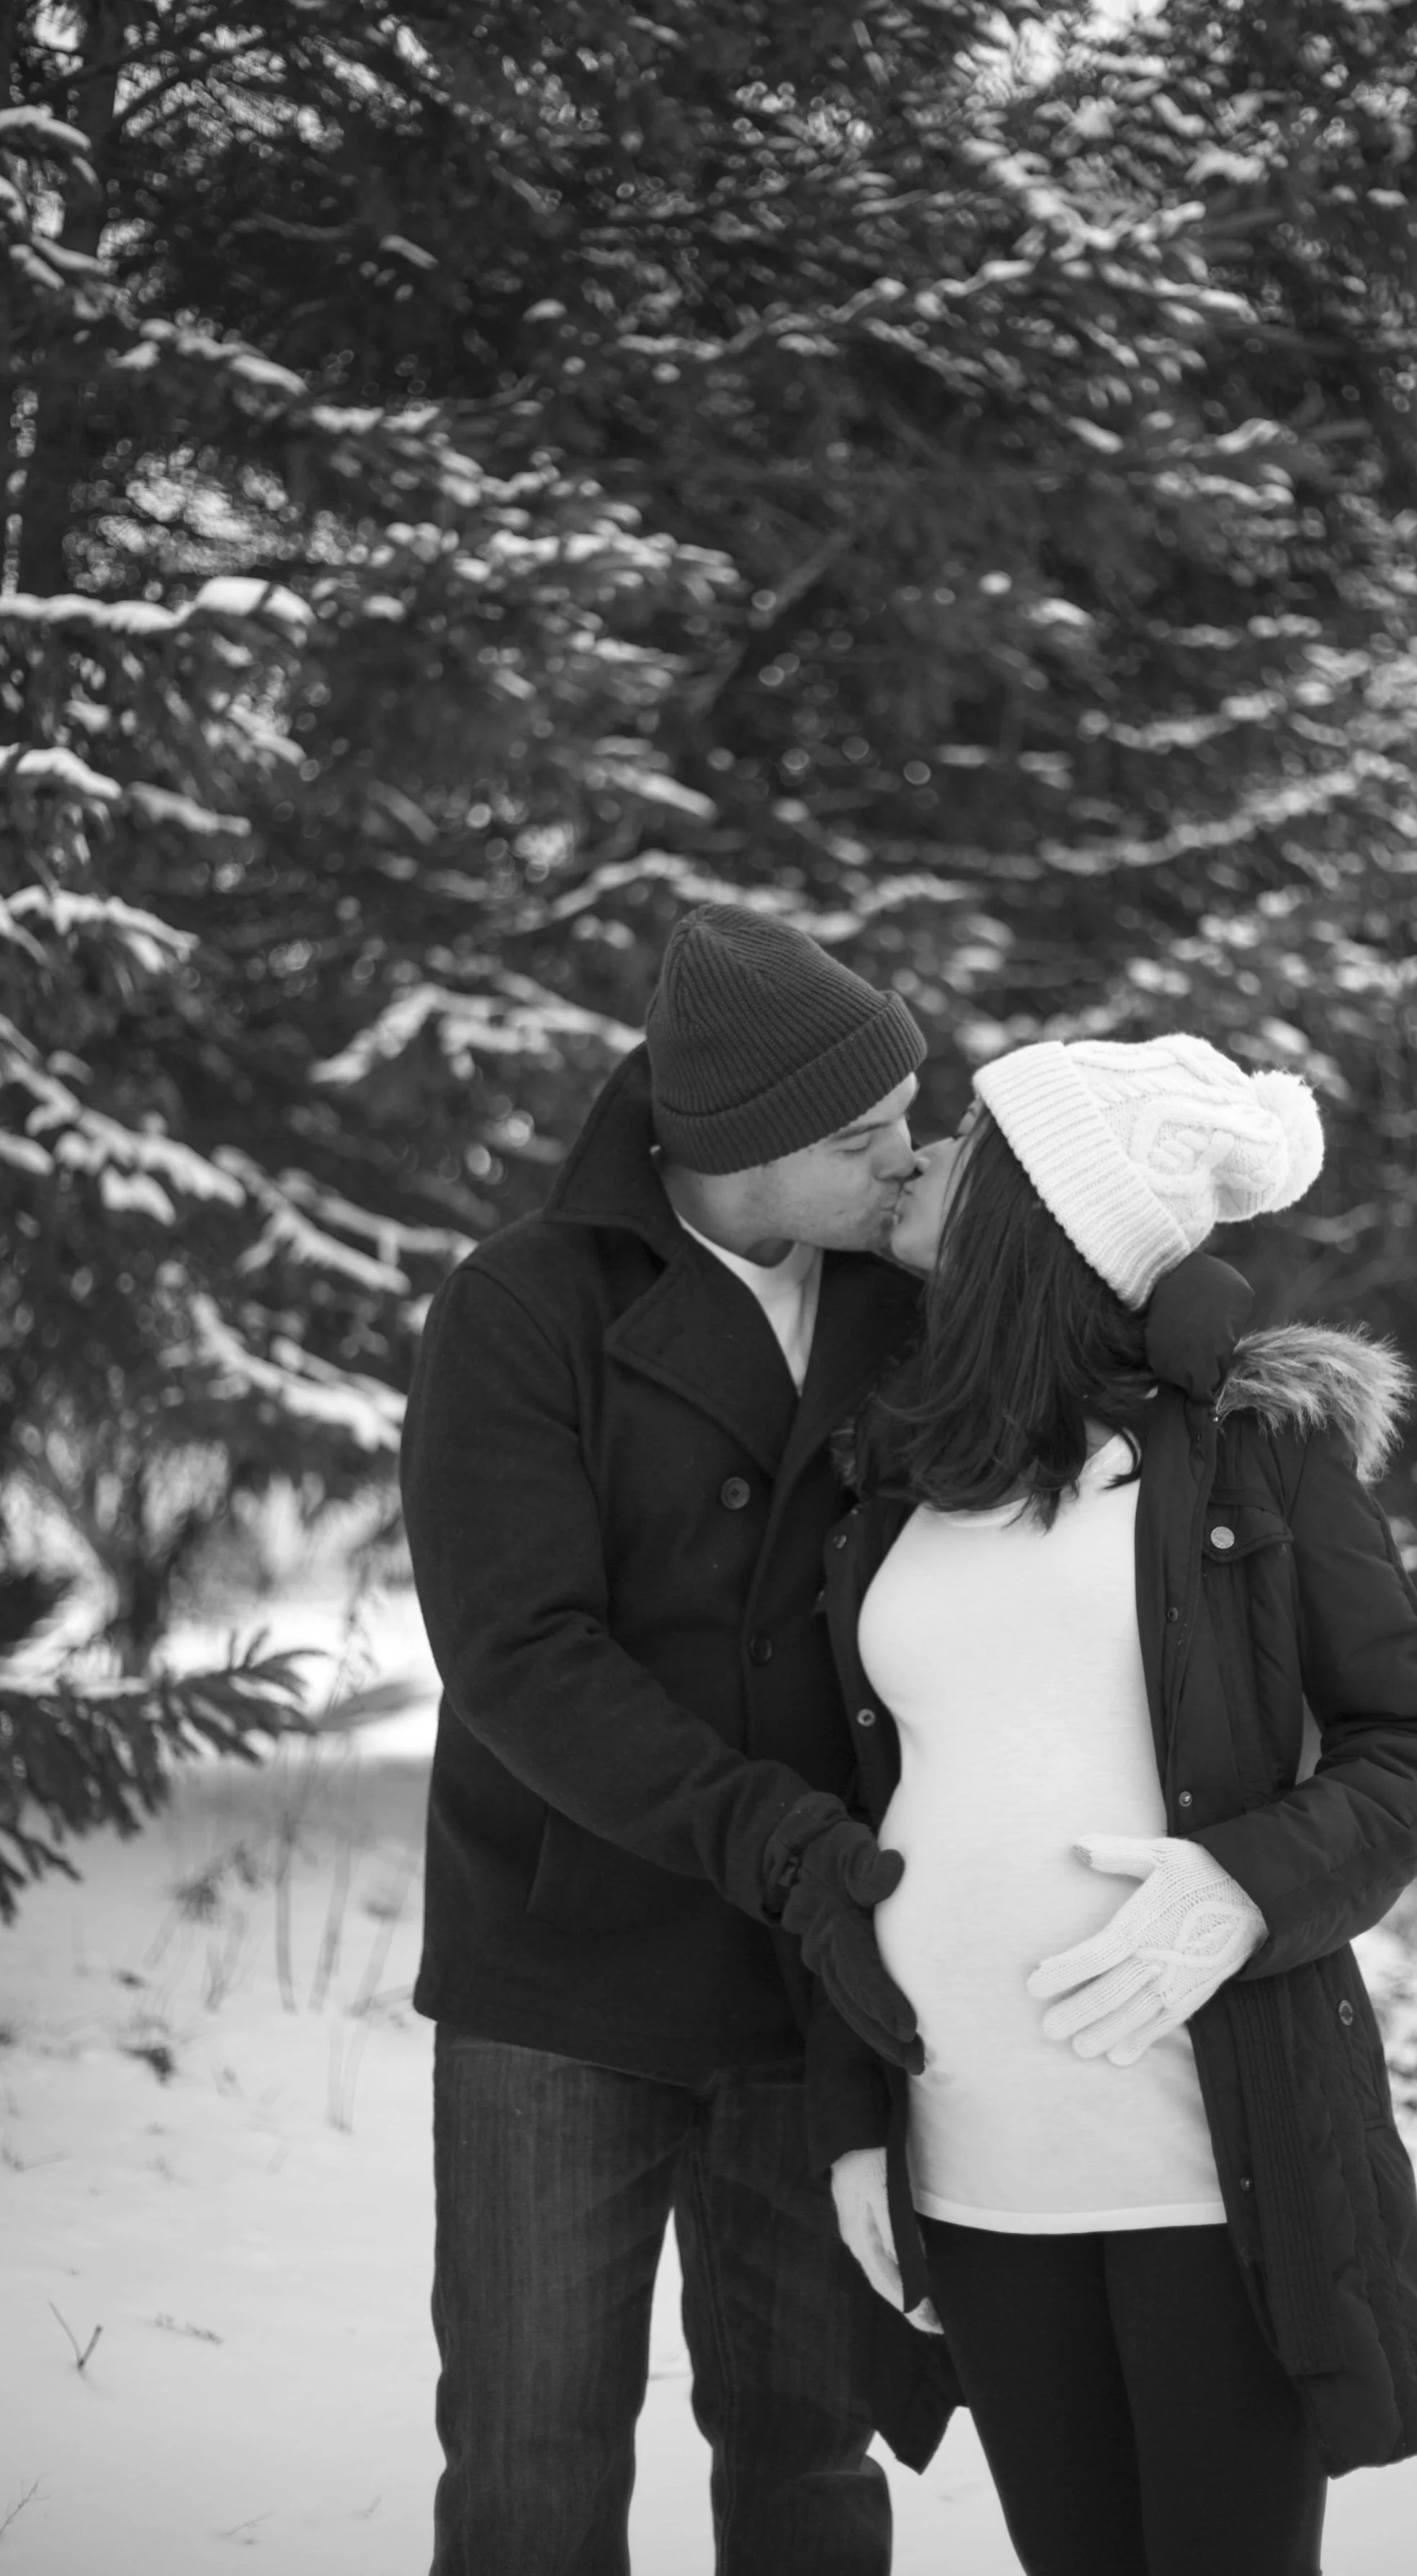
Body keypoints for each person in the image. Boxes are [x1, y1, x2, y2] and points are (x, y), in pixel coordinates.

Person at [812, 1033, 1417, 2576]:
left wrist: (1243, 1887)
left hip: (1200, 2158)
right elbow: (866, 1812)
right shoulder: (901, 1470)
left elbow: (1414, 1744)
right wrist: (857, 2122)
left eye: (969, 1134)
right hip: (973, 2158)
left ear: (1040, 1208)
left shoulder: (1251, 1452)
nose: (924, 1151)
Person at [400, 904, 958, 2576]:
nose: (905, 1157)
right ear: (734, 1147)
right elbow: (519, 1655)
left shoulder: (904, 1304)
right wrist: (771, 1838)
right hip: (562, 1977)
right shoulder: (520, 1307)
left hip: (815, 1986)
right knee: (531, 2466)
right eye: (861, 1138)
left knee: (809, 2460)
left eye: (906, 1116)